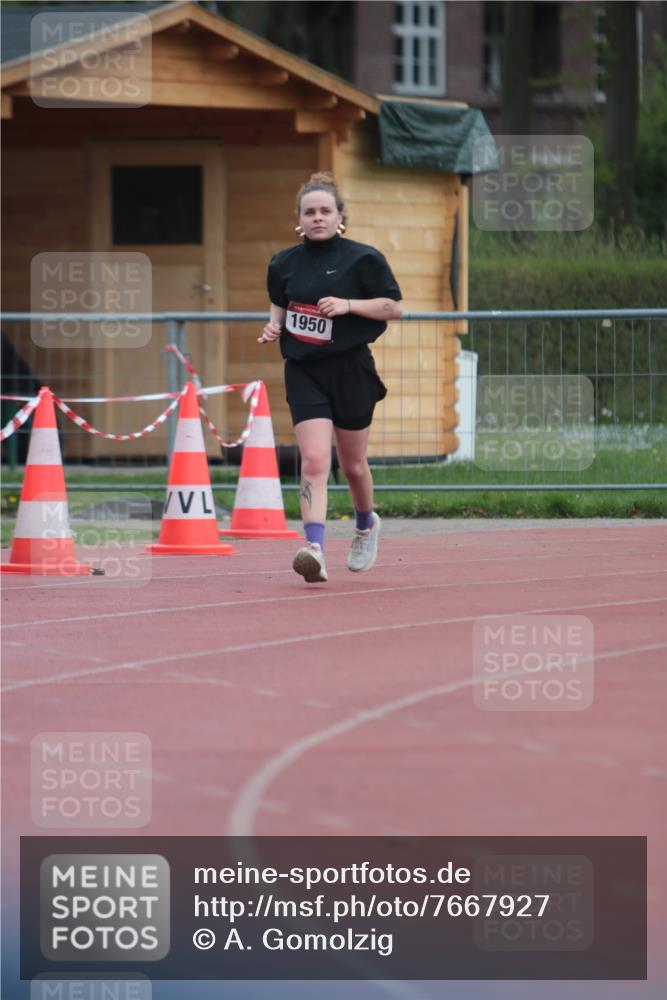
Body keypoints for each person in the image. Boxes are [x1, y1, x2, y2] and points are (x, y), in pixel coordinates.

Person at [258, 171, 403, 583]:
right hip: (304, 370)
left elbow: (394, 308)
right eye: (309, 212)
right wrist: (273, 327)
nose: (317, 218)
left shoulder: (363, 259)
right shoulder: (283, 263)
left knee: (354, 465)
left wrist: (349, 305)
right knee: (316, 461)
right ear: (298, 219)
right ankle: (314, 548)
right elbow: (279, 306)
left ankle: (364, 524)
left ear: (340, 217)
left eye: (325, 211)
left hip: (351, 368)